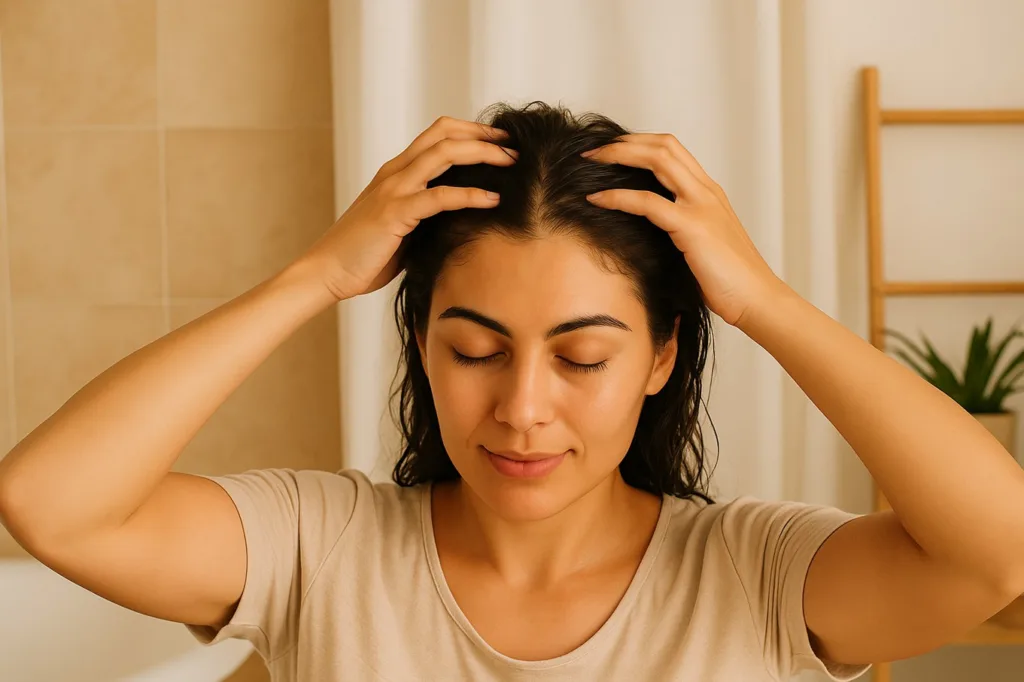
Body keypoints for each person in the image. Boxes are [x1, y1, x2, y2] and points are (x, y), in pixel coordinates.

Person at [0, 102, 1021, 682]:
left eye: (582, 359)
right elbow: (52, 503)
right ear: (419, 344)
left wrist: (761, 300)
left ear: (663, 357)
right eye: (476, 349)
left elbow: (997, 548)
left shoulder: (757, 576)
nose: (523, 406)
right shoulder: (319, 546)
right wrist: (310, 275)